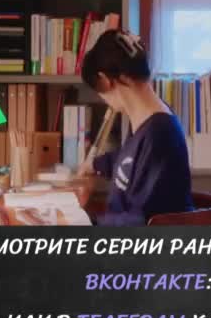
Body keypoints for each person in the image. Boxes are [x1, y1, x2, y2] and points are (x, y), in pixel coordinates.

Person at [80, 28, 193, 225]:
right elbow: (131, 161)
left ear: (105, 80)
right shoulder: (146, 118)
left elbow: (139, 219)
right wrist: (95, 165)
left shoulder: (159, 133)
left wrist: (85, 222)